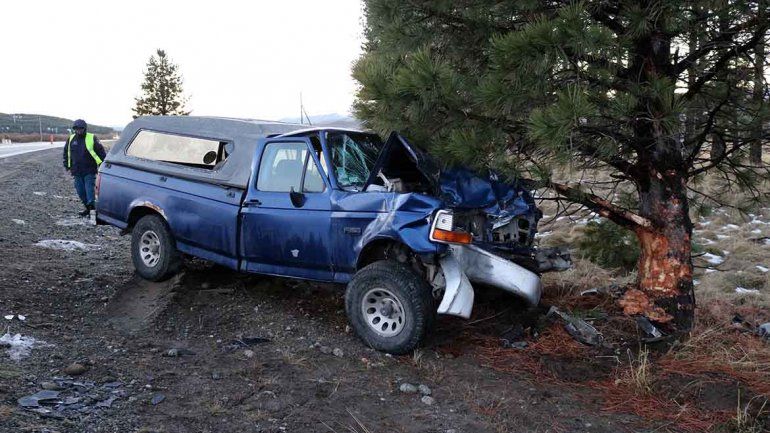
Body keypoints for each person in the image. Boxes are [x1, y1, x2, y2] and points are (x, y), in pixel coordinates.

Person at [63, 119, 107, 216]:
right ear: (74, 129)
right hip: (76, 171)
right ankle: (88, 208)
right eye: (76, 128)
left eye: (80, 128)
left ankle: (93, 213)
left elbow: (101, 151)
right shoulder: (71, 139)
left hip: (89, 170)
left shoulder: (92, 138)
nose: (78, 130)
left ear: (84, 128)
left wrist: (103, 164)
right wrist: (66, 165)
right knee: (80, 192)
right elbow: (66, 152)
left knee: (89, 192)